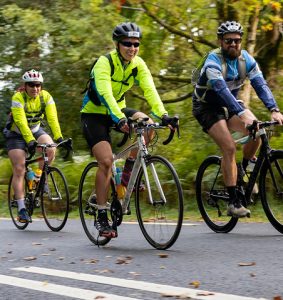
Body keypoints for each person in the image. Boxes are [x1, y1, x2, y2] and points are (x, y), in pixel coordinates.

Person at [81, 22, 177, 238]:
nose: (132, 48)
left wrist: (164, 115)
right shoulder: (104, 64)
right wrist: (119, 119)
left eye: (136, 44)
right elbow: (105, 94)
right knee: (105, 161)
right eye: (127, 43)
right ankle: (102, 215)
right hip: (94, 114)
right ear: (117, 44)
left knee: (149, 124)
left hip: (119, 109)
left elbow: (150, 90)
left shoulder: (138, 64)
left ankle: (126, 178)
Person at [192, 20, 283, 218]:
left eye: (236, 40)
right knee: (229, 147)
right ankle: (233, 202)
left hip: (229, 103)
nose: (232, 44)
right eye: (228, 41)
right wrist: (242, 114)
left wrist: (274, 109)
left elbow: (260, 85)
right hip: (207, 107)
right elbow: (221, 90)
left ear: (241, 41)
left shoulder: (247, 60)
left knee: (258, 131)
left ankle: (243, 169)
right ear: (220, 41)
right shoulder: (213, 62)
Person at [4, 69, 64, 223]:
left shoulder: (46, 97)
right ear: (25, 86)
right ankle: (22, 209)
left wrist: (59, 137)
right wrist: (30, 141)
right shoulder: (18, 97)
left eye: (38, 85)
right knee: (19, 168)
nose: (35, 88)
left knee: (50, 147)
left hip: (36, 130)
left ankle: (38, 178)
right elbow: (22, 123)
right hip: (16, 134)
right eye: (31, 85)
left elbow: (52, 118)